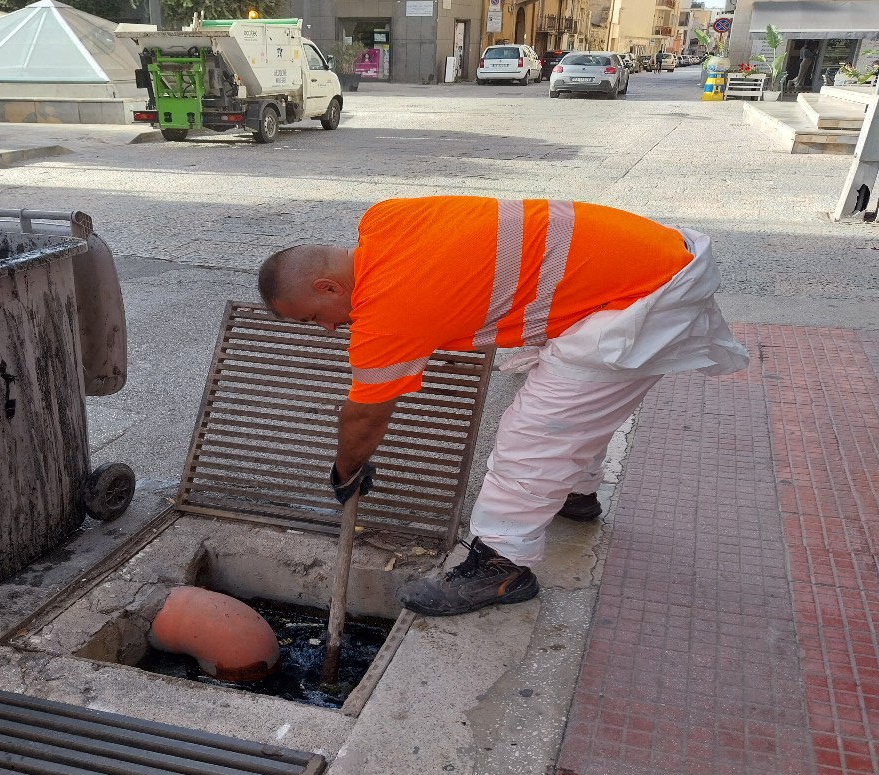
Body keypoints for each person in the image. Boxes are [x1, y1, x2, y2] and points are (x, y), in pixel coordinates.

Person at [257, 197, 749, 617]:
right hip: (645, 258)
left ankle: (501, 567)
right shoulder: (385, 220)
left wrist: (346, 471)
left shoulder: (387, 307)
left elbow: (366, 414)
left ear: (328, 287)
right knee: (573, 411)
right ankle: (575, 497)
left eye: (315, 318)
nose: (327, 329)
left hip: (644, 299)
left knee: (537, 434)